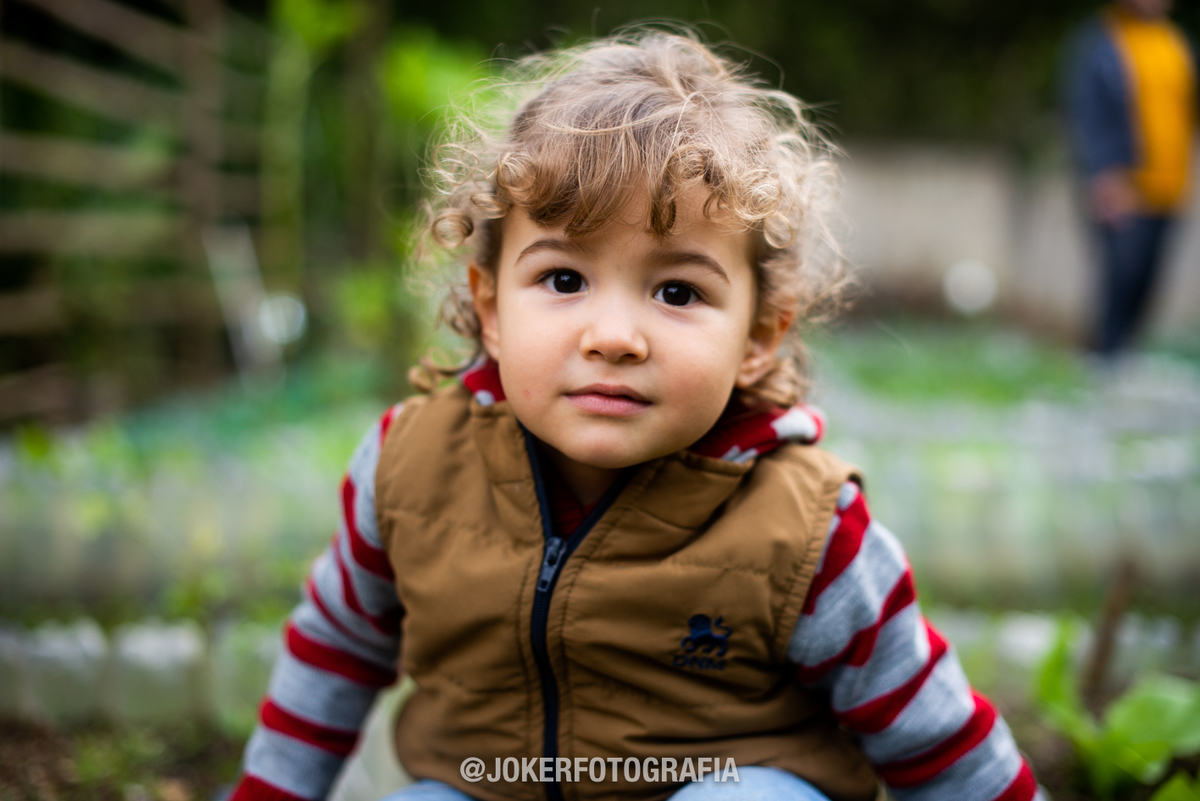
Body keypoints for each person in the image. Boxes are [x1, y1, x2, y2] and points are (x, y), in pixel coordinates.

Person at [228, 32, 1041, 801]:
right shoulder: (409, 469)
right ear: (492, 308)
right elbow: (334, 649)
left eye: (677, 291)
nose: (614, 336)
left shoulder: (808, 532)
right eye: (564, 279)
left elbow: (937, 735)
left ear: (759, 335)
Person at [1063, 0, 1196, 357]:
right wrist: (1104, 173)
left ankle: (1127, 359)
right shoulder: (1100, 41)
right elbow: (1086, 112)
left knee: (1148, 283)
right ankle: (1104, 361)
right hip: (1125, 187)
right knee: (1121, 280)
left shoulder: (1175, 43)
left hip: (1170, 186)